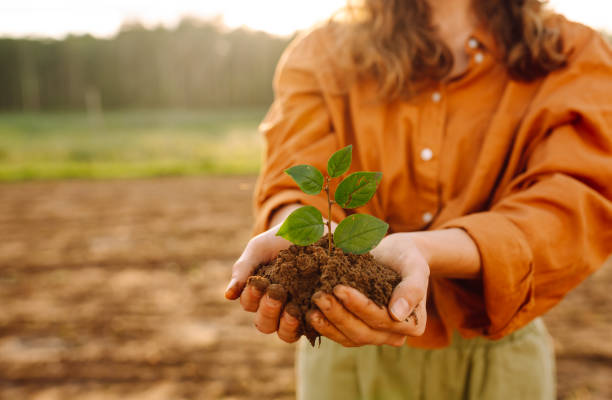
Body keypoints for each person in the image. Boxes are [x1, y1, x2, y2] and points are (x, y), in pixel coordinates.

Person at [225, 0, 612, 398]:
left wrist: (426, 250)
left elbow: (571, 200)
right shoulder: (323, 54)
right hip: (345, 346)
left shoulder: (570, 54)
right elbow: (294, 179)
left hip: (497, 359)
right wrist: (306, 236)